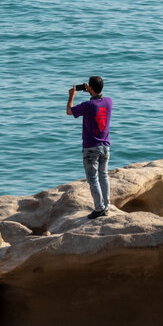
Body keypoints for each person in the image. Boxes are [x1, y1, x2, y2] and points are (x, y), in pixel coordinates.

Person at [67, 75, 112, 219]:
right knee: (103, 175)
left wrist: (71, 96)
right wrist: (92, 93)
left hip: (91, 147)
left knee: (93, 178)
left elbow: (69, 111)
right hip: (105, 146)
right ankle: (106, 205)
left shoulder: (88, 106)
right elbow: (98, 100)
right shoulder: (109, 102)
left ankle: (99, 209)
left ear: (90, 88)